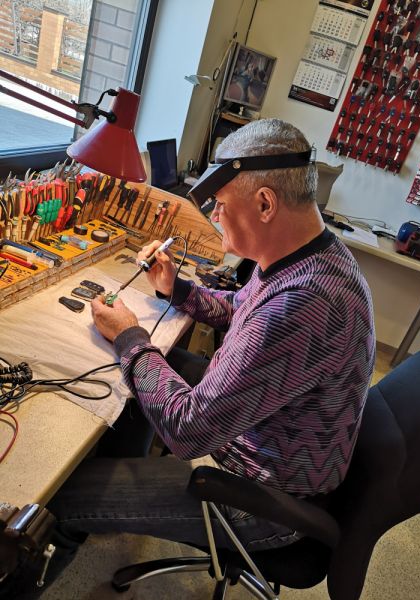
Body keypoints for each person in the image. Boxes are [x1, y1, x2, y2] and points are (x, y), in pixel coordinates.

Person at [2, 118, 375, 597]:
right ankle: (120, 487)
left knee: (60, 496)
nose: (214, 216)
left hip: (263, 500)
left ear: (265, 204)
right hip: (272, 440)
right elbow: (240, 310)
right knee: (151, 372)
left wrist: (129, 336)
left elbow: (187, 429)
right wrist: (174, 288)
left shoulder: (304, 303)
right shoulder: (313, 258)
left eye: (221, 205)